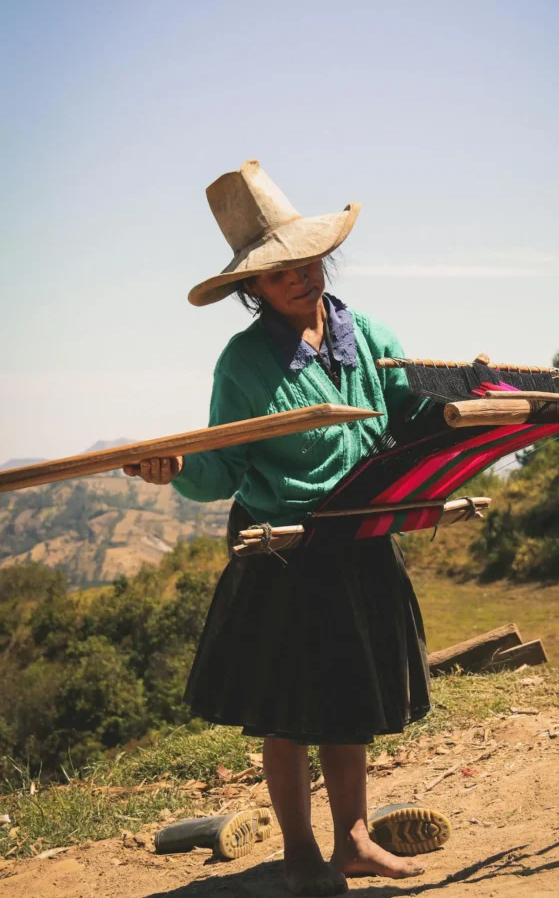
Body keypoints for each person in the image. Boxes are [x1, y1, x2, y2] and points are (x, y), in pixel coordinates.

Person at [124, 160, 432, 897]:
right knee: (290, 708)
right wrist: (174, 469)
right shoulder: (244, 362)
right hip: (281, 552)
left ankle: (354, 840)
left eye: (306, 259)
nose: (299, 275)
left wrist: (466, 398)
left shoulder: (371, 335)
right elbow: (221, 468)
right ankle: (299, 853)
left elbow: (410, 416)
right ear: (250, 288)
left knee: (351, 696)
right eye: (277, 270)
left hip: (359, 539)